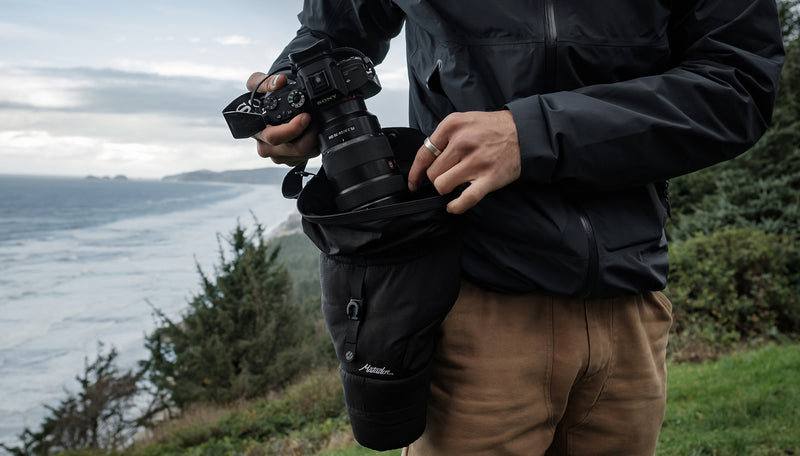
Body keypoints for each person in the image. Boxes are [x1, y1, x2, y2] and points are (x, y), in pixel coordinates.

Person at [246, 1, 785, 454]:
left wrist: (530, 134)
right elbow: (331, 30)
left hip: (629, 304)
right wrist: (291, 92)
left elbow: (738, 83)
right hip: (467, 301)